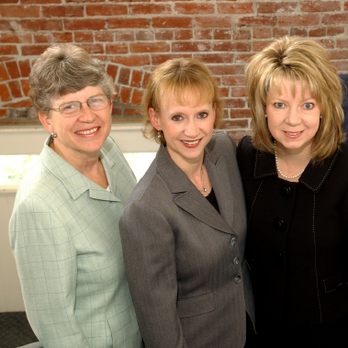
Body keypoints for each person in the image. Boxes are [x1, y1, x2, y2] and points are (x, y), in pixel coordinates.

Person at [9, 44, 143, 348]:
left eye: (95, 100)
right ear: (46, 120)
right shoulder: (38, 207)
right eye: (69, 106)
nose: (87, 116)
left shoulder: (109, 150)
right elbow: (57, 330)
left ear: (109, 104)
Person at [119, 57, 255, 348]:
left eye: (201, 114)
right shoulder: (144, 209)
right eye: (178, 117)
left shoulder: (224, 152)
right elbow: (158, 323)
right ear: (156, 119)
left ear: (214, 112)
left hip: (247, 326)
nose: (193, 131)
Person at [237, 36, 348, 348]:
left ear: (325, 107)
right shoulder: (246, 157)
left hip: (335, 332)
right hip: (264, 332)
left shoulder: (344, 166)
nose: (293, 120)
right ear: (263, 109)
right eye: (280, 104)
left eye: (307, 105)